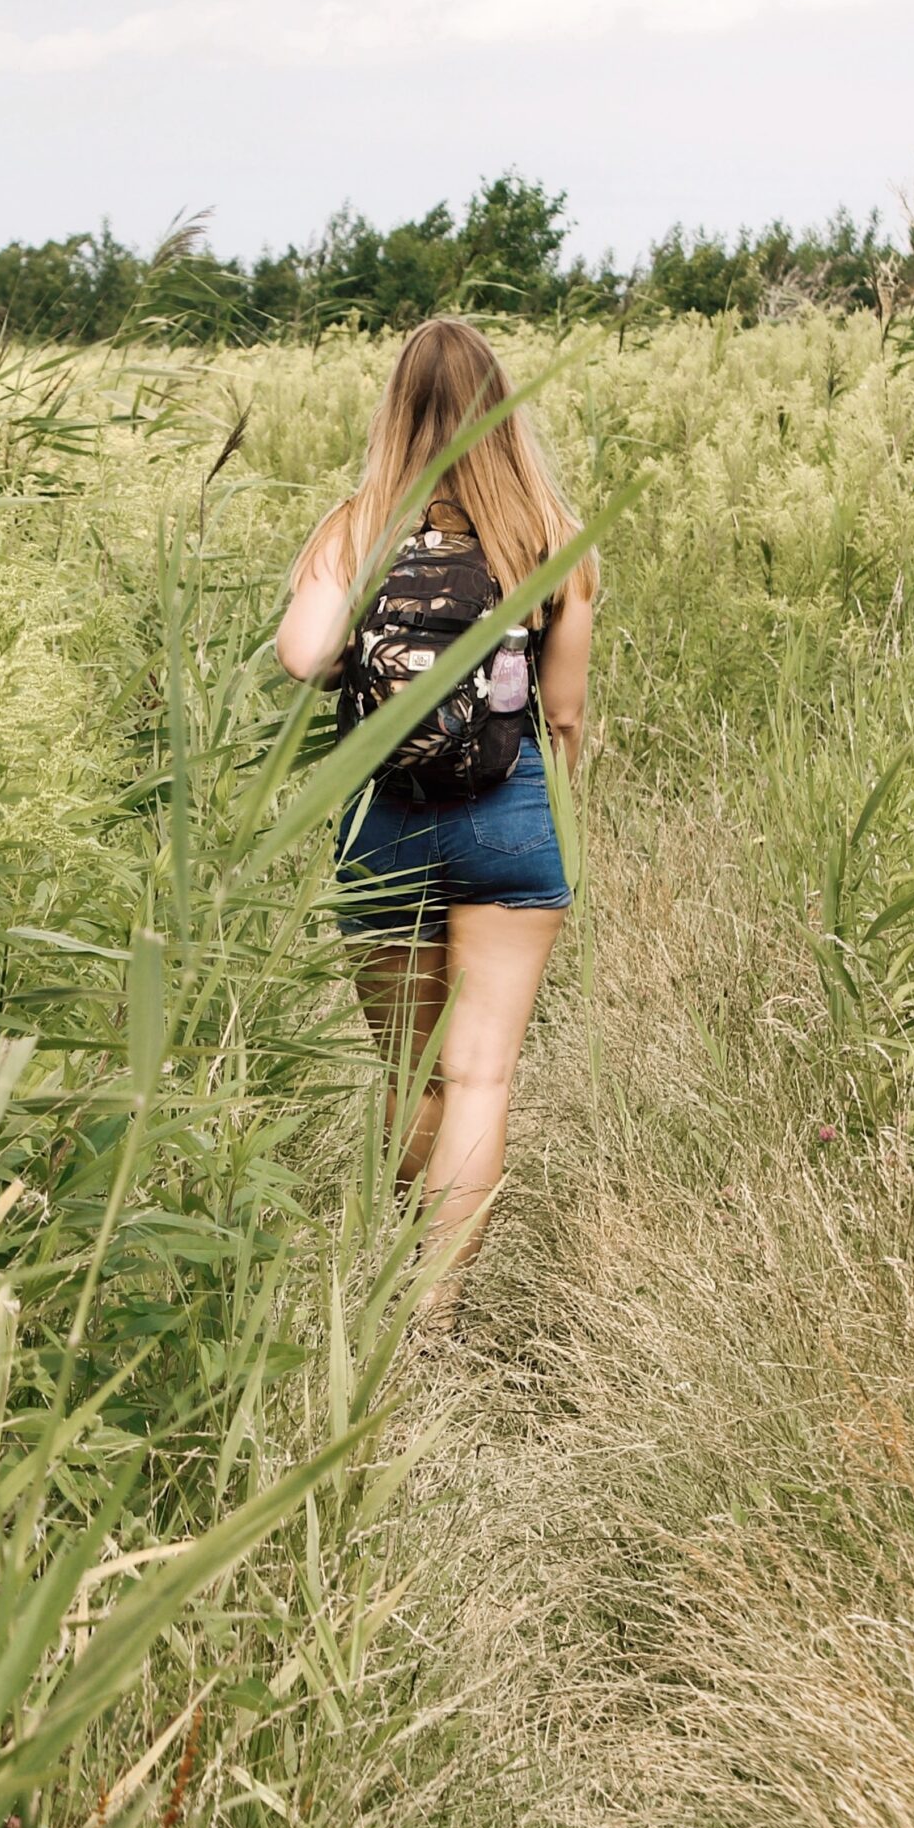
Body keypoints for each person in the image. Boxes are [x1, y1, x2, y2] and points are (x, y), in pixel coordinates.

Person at [275, 315, 597, 1323]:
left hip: (384, 821)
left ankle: (400, 1274)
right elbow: (568, 707)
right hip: (509, 819)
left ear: (396, 407)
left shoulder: (356, 524)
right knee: (480, 1075)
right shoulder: (546, 532)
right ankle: (437, 1310)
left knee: (410, 1074)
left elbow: (300, 655)